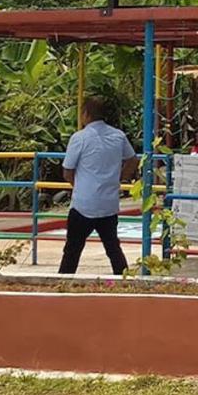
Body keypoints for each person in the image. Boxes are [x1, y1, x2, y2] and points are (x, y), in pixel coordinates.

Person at [59, 97, 137, 275]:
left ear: (86, 114)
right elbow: (132, 160)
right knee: (113, 249)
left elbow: (67, 171)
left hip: (83, 204)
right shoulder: (118, 136)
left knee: (72, 250)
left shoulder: (79, 138)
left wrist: (78, 186)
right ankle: (124, 282)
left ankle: (63, 282)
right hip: (108, 203)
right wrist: (119, 178)